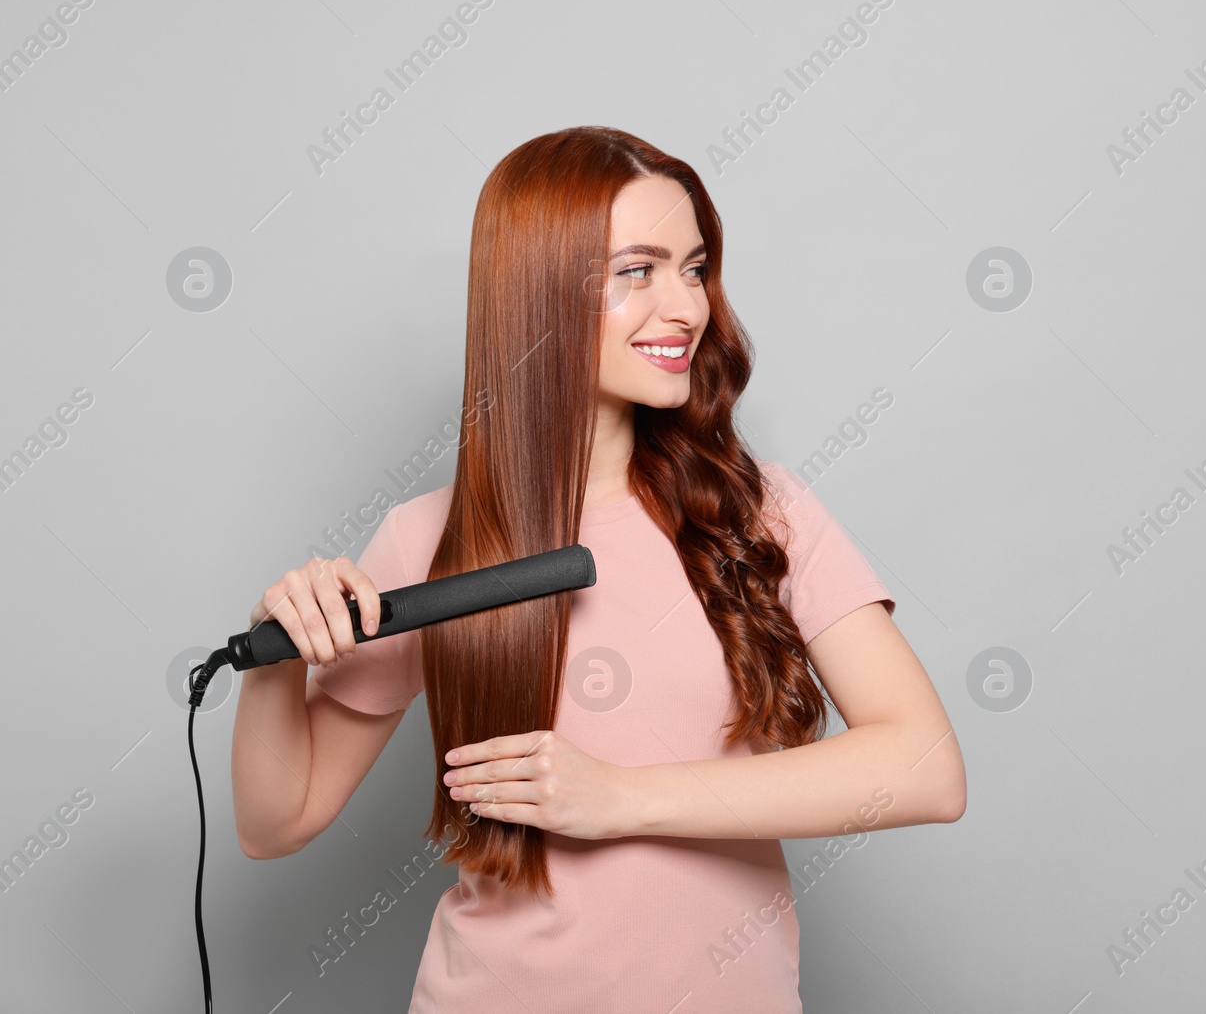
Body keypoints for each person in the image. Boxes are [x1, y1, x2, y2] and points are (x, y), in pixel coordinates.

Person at [229, 125, 966, 1012]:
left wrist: (623, 798)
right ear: (540, 293)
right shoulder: (431, 539)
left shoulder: (762, 512)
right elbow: (276, 823)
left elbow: (926, 766)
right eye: (638, 271)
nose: (686, 306)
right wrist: (278, 653)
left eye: (694, 269)